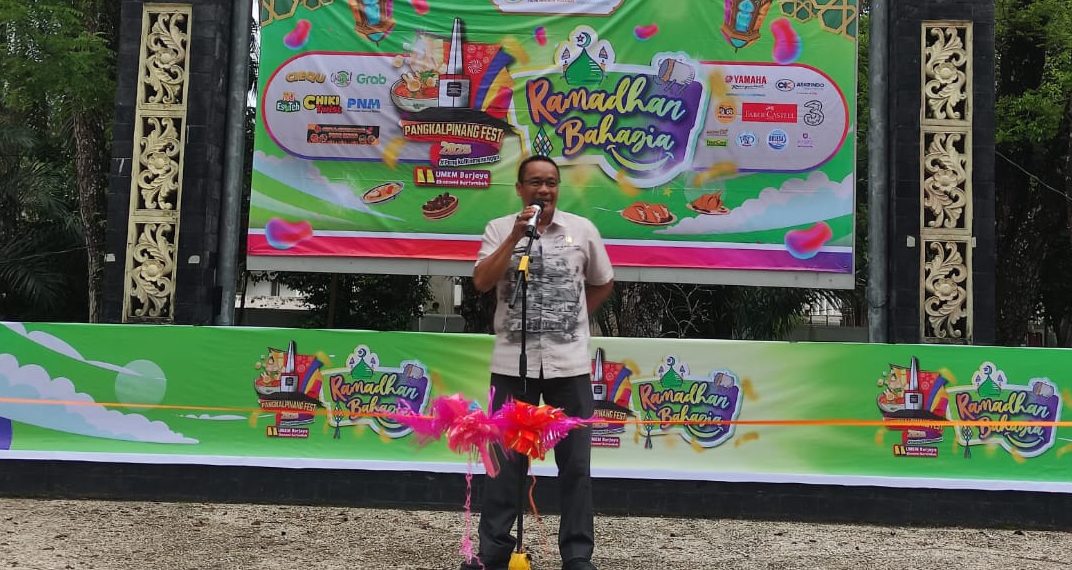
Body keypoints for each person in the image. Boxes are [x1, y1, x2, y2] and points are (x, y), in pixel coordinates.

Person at [462, 155, 614, 570]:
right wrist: (515, 236)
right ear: (519, 188)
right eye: (534, 182)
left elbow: (603, 281)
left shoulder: (582, 231)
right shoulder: (499, 229)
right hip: (513, 366)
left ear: (557, 188)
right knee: (505, 463)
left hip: (570, 366)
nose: (543, 190)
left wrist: (573, 320)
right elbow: (482, 281)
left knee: (575, 465)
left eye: (550, 182)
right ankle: (494, 551)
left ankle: (577, 555)